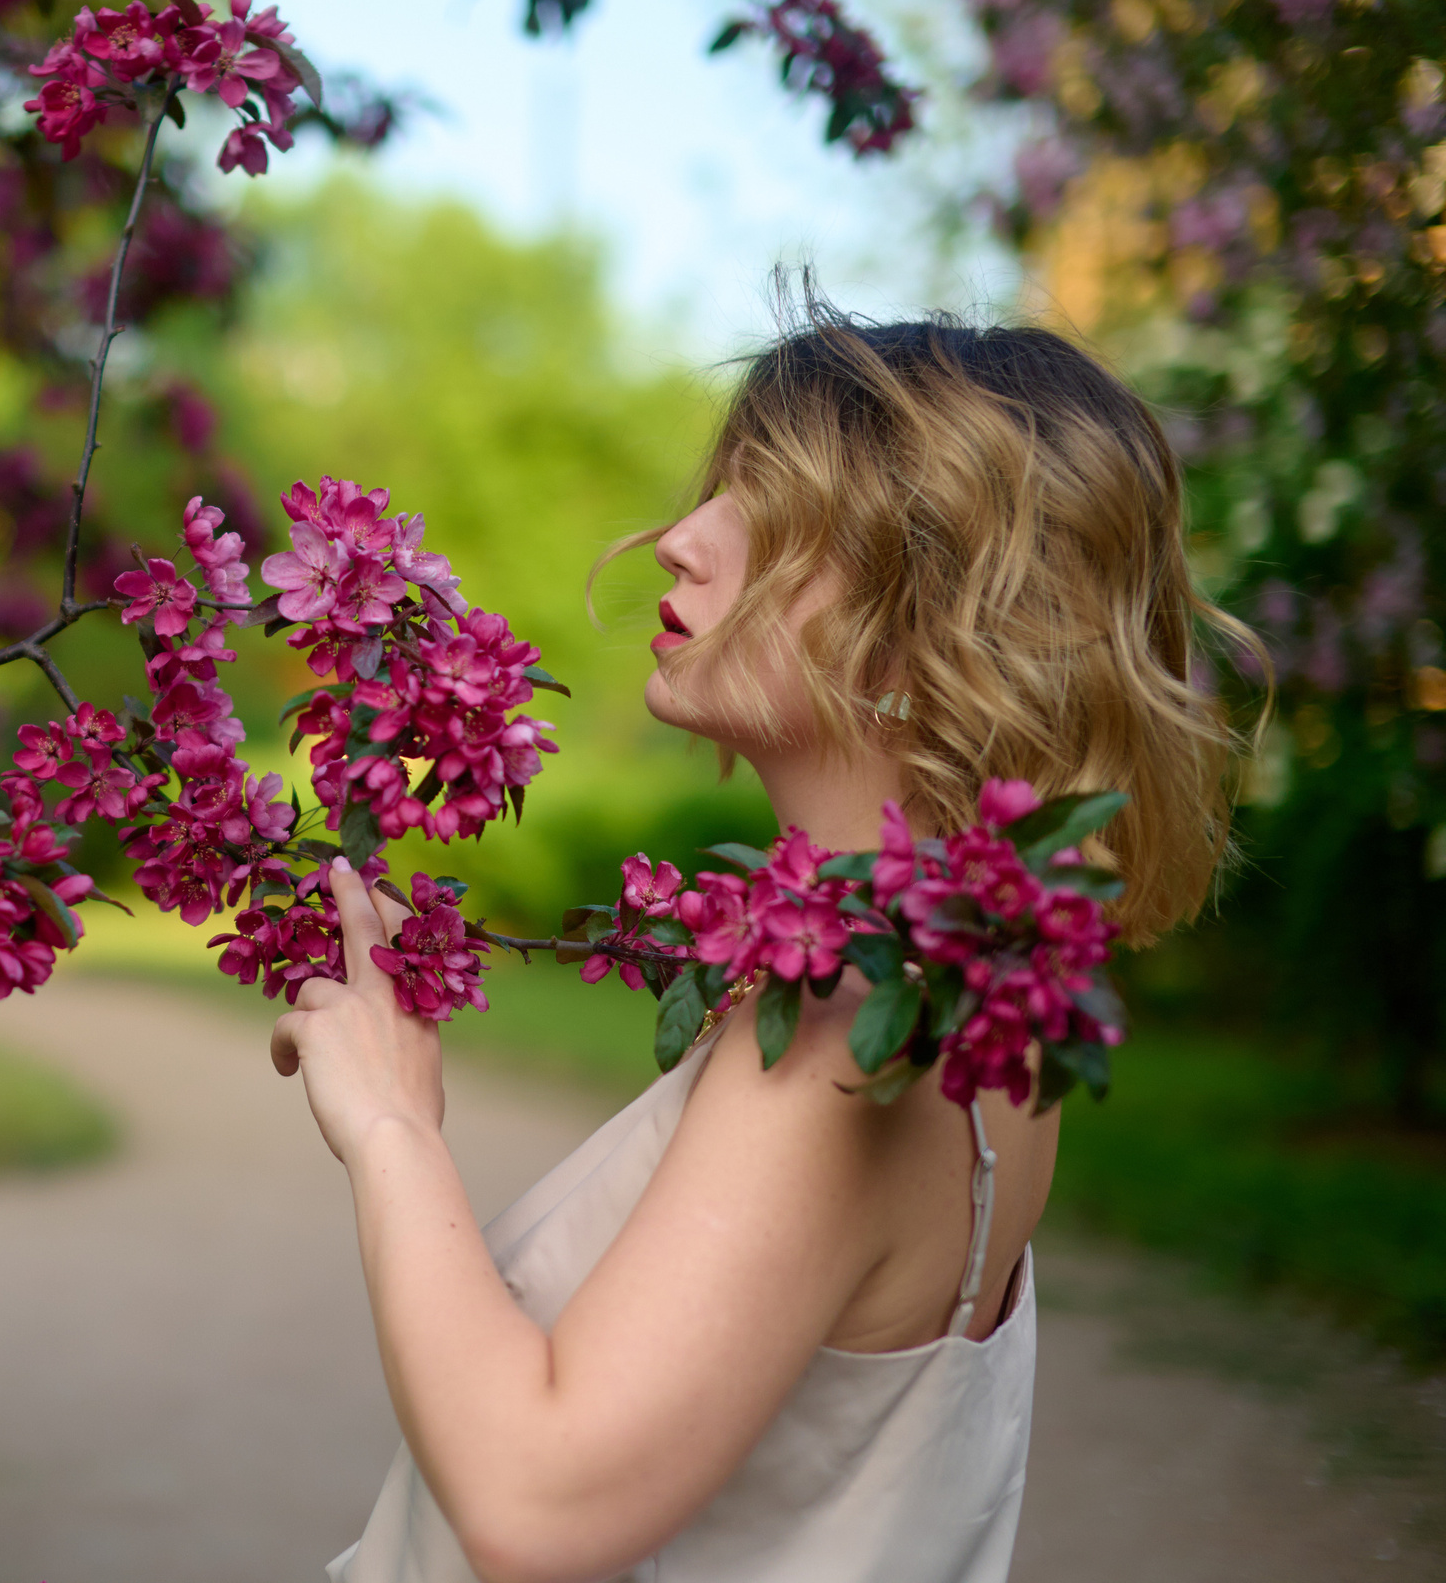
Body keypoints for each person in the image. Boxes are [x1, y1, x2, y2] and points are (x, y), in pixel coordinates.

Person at [277, 299, 1257, 1583]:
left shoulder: (855, 1033)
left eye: (772, 516)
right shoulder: (963, 1005)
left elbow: (536, 1504)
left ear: (927, 630)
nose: (678, 541)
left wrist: (391, 1124)